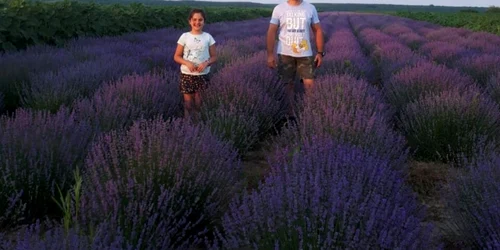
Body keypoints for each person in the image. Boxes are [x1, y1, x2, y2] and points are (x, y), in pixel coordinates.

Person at [266, 0, 324, 118]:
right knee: (287, 85)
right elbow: (272, 31)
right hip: (285, 53)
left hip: (305, 54)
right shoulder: (279, 9)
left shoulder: (310, 8)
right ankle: (289, 115)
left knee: (310, 85)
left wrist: (320, 52)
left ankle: (310, 113)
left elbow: (317, 30)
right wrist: (270, 54)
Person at [174, 8, 217, 119]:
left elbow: (214, 57)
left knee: (199, 103)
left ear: (204, 22)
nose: (197, 22)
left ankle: (197, 125)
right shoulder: (184, 36)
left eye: (200, 20)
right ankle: (188, 125)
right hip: (187, 75)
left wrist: (206, 63)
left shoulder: (208, 37)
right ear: (190, 21)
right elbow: (176, 56)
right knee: (188, 104)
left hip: (202, 75)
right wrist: (187, 63)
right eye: (194, 19)